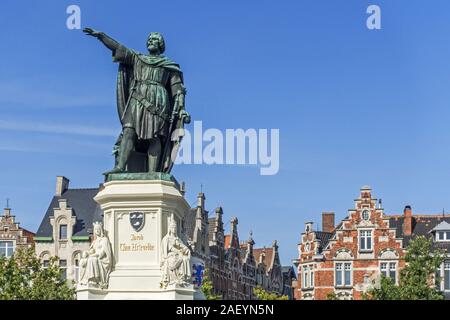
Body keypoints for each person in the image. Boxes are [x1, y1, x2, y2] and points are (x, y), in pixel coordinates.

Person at [83, 27, 190, 174]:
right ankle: (120, 167)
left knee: (155, 137)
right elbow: (119, 48)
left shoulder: (169, 66)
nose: (151, 41)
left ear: (161, 45)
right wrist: (102, 37)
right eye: (149, 39)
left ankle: (153, 174)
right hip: (137, 99)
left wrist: (181, 108)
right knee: (129, 130)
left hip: (158, 102)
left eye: (154, 39)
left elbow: (177, 90)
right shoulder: (137, 58)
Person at [79, 222, 113, 289]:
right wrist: (87, 253)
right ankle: (84, 280)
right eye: (95, 229)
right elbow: (92, 250)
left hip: (102, 259)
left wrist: (95, 255)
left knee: (92, 260)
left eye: (98, 229)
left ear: (101, 230)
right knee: (82, 261)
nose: (97, 231)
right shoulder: (95, 241)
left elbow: (103, 252)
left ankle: (94, 280)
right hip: (95, 256)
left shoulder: (104, 240)